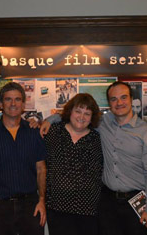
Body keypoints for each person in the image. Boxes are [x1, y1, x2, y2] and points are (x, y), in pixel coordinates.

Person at [40, 81, 147, 235]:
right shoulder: (103, 123)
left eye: (123, 97)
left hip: (135, 201)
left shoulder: (146, 132)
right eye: (114, 99)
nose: (119, 103)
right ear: (109, 103)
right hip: (106, 202)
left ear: (131, 99)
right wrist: (51, 119)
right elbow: (75, 117)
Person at [0, 82, 47, 235]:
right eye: (8, 99)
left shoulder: (34, 133)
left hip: (30, 206)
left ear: (23, 104)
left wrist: (42, 201)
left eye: (17, 99)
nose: (13, 104)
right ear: (1, 104)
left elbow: (41, 169)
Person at [45, 93, 103, 235]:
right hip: (57, 207)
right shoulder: (53, 131)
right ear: (70, 111)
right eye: (78, 111)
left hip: (88, 210)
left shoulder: (98, 139)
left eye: (87, 114)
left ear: (92, 117)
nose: (81, 117)